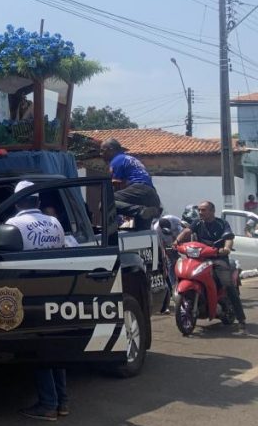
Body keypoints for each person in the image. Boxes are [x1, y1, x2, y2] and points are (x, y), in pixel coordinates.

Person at [8, 182, 71, 421]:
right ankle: (62, 401)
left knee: (39, 349)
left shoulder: (14, 225)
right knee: (56, 348)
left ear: (17, 203)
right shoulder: (54, 223)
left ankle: (48, 404)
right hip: (58, 291)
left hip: (31, 293)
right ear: (38, 201)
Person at [174, 200, 247, 331]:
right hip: (200, 258)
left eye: (203, 210)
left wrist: (226, 248)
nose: (200, 212)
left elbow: (229, 238)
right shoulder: (197, 222)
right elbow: (186, 231)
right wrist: (177, 241)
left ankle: (241, 318)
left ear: (212, 211)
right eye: (199, 210)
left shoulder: (222, 223)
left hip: (218, 258)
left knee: (227, 285)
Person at [100, 138, 162, 230]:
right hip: (152, 197)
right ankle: (144, 213)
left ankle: (141, 210)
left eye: (102, 151)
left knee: (105, 202)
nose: (100, 154)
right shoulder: (131, 159)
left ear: (111, 149)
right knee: (139, 231)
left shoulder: (117, 160)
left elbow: (117, 186)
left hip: (138, 190)